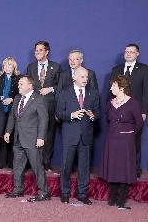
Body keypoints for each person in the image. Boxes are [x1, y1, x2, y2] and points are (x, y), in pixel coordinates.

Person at [56, 67, 100, 205]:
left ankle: (82, 194)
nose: (85, 79)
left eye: (87, 77)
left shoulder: (93, 93)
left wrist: (93, 116)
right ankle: (65, 193)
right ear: (74, 77)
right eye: (82, 77)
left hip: (86, 135)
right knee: (66, 166)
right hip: (70, 134)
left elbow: (97, 112)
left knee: (84, 167)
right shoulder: (64, 93)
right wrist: (71, 115)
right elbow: (59, 113)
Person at [4, 76, 51, 202]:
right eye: (19, 84)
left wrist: (41, 137)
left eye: (21, 84)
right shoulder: (17, 98)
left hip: (33, 139)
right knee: (17, 166)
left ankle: (44, 192)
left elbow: (44, 119)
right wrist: (8, 131)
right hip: (18, 138)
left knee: (37, 167)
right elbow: (12, 117)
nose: (18, 86)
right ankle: (18, 189)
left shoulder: (39, 99)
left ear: (30, 85)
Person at [99, 75, 144, 210]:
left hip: (126, 141)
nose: (111, 87)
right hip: (112, 139)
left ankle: (122, 199)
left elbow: (139, 123)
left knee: (124, 169)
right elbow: (108, 120)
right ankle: (112, 197)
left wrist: (128, 133)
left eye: (113, 85)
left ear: (122, 88)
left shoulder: (133, 103)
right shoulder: (110, 103)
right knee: (113, 167)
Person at [110, 43, 148, 178]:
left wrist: (144, 111)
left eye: (131, 52)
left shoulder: (145, 69)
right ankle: (117, 168)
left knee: (134, 141)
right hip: (117, 112)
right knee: (117, 141)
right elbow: (110, 91)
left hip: (135, 112)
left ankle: (134, 169)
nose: (128, 54)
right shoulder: (116, 69)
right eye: (126, 52)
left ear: (137, 54)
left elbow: (147, 93)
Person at [25, 41, 60, 171]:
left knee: (49, 135)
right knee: (33, 134)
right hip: (34, 107)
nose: (37, 52)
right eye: (36, 50)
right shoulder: (31, 67)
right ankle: (33, 163)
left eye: (40, 50)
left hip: (50, 106)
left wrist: (50, 88)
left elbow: (60, 86)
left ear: (47, 52)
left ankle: (46, 163)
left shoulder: (56, 67)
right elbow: (28, 86)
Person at [0, 57, 21, 169]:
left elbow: (21, 95)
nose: (7, 67)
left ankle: (11, 162)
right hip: (0, 112)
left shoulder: (19, 78)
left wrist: (12, 99)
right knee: (0, 135)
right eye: (5, 65)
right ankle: (0, 162)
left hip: (13, 112)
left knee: (11, 136)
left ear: (14, 67)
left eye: (10, 65)